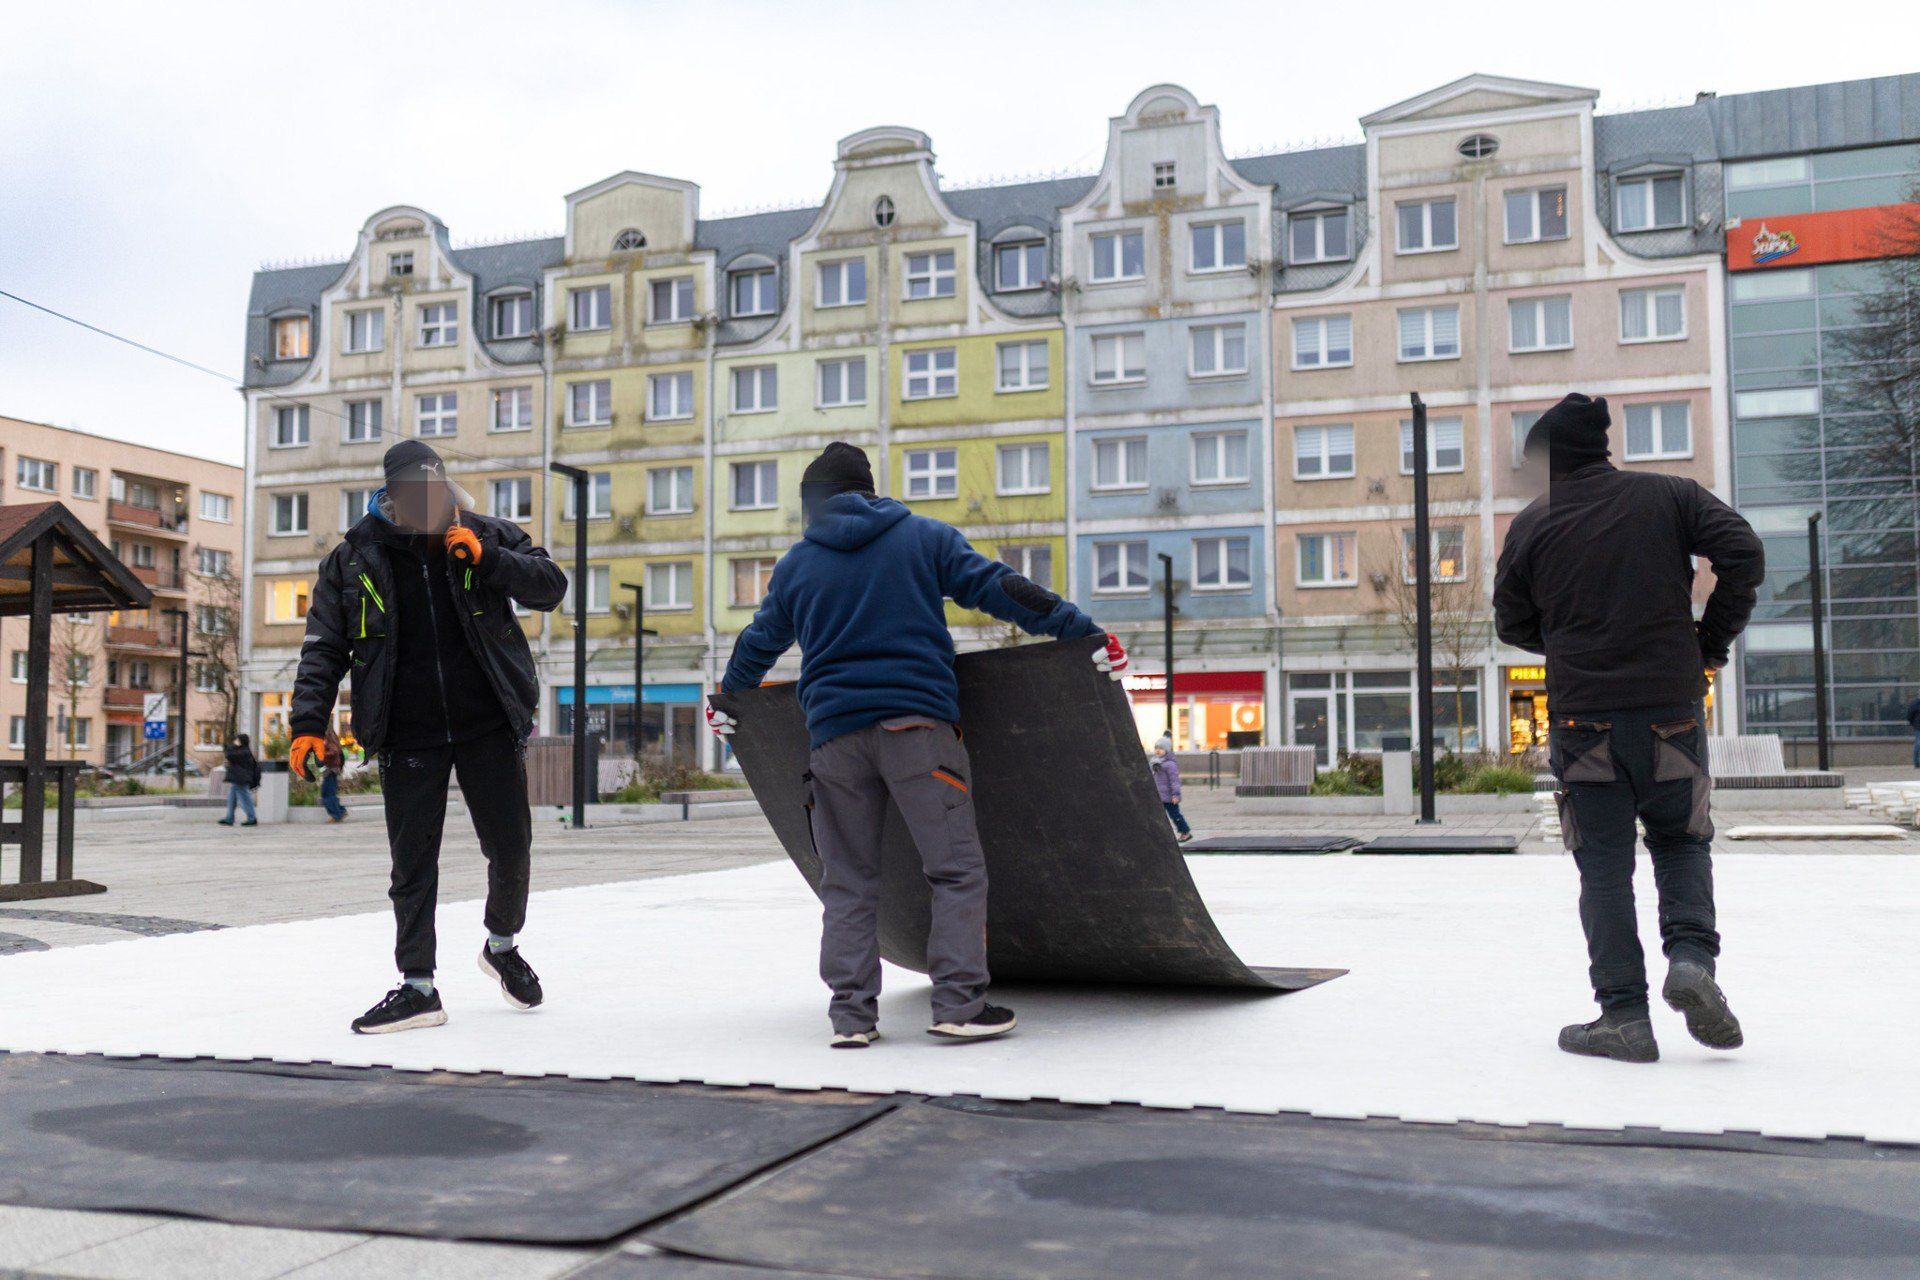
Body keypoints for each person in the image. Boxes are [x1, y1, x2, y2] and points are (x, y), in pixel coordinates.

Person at [707, 442, 1127, 1048]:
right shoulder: (922, 538)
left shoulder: (796, 566)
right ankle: (958, 1003)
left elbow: (757, 643)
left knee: (847, 881)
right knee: (953, 870)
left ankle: (851, 1017)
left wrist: (729, 700)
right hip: (917, 732)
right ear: (869, 490)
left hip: (833, 744)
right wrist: (1080, 630)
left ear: (813, 505)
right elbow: (1005, 589)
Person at [1494, 393, 1765, 1064]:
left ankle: (1623, 1016)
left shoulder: (1533, 524)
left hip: (1585, 728)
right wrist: (1708, 640)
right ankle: (1692, 960)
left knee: (1605, 869)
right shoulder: (1672, 497)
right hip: (1672, 716)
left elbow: (1510, 623)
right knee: (1679, 841)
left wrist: (1566, 639)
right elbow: (1744, 554)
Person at [288, 440, 567, 1034]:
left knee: (511, 845)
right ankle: (418, 986)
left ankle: (501, 945)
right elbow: (324, 647)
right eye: (416, 495)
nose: (430, 505)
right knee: (413, 863)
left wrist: (489, 559)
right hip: (406, 731)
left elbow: (549, 585)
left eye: (436, 493)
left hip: (488, 721)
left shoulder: (484, 533)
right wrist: (309, 724)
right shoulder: (354, 558)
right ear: (391, 496)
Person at [1151, 734, 1192, 843]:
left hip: (1169, 797)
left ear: (1167, 750)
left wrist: (1176, 794)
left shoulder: (1170, 765)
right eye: (1156, 748)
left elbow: (1175, 781)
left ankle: (1185, 832)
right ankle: (1159, 835)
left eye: (1161, 748)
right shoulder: (1156, 763)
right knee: (1156, 816)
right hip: (1159, 796)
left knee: (1175, 815)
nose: (1158, 751)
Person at [217, 733, 259, 826]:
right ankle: (229, 817)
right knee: (232, 798)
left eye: (237, 740)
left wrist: (228, 747)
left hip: (241, 779)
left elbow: (229, 755)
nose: (235, 741)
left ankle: (251, 818)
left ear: (240, 741)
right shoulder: (242, 750)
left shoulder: (244, 751)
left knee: (245, 798)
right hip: (237, 779)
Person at [319, 734, 348, 822]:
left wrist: (321, 753)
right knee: (329, 793)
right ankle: (340, 811)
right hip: (332, 770)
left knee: (327, 794)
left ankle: (336, 815)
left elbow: (333, 752)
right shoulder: (332, 743)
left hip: (331, 771)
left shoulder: (330, 743)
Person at [1907, 696, 1920, 769]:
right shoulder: (1915, 704)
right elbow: (1910, 715)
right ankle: (1916, 762)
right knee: (1918, 744)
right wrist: (1914, 723)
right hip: (1918, 727)